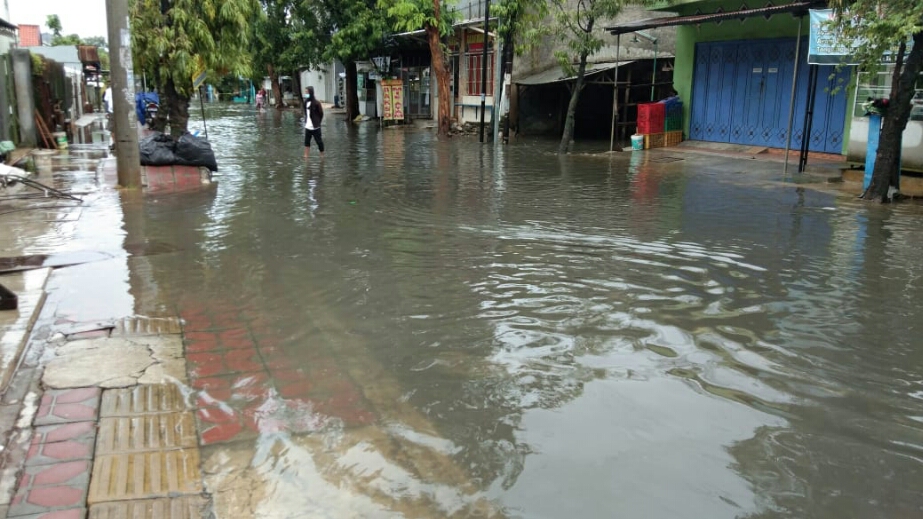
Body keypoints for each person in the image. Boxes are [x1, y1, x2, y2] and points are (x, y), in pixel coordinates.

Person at [303, 86, 324, 159]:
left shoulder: (316, 103)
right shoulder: (305, 102)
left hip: (315, 127)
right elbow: (305, 113)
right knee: (306, 142)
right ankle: (306, 156)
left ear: (311, 92)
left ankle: (322, 156)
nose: (306, 94)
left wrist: (318, 122)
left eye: (307, 92)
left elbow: (321, 113)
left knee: (319, 142)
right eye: (305, 92)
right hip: (307, 127)